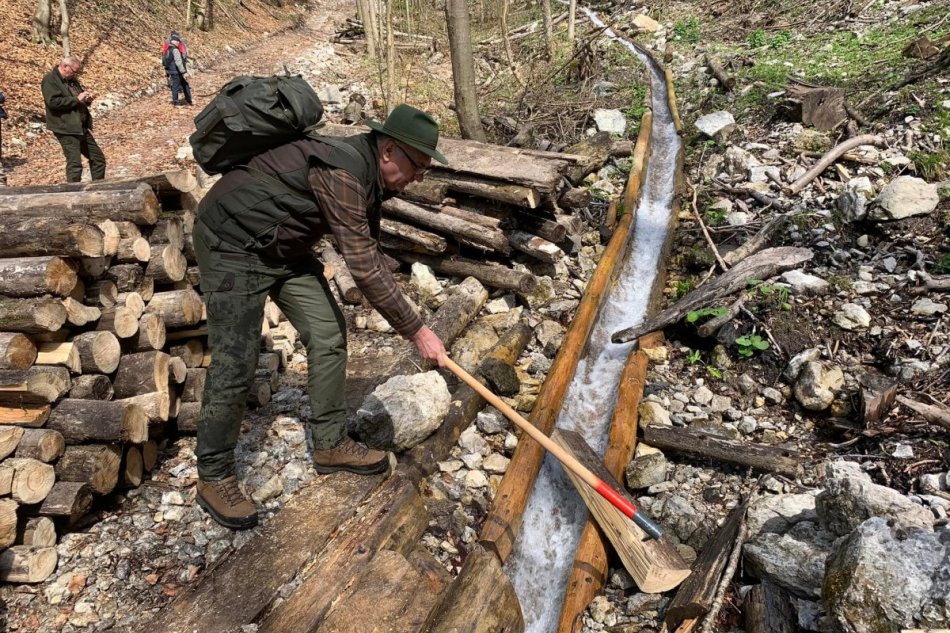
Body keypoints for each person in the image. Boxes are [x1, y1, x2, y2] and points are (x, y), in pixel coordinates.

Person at [193, 104, 449, 529]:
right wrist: (417, 330)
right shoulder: (343, 171)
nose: (419, 176)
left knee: (329, 333)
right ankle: (214, 475)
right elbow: (362, 264)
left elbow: (373, 251)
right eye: (418, 165)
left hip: (282, 248)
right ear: (388, 151)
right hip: (231, 242)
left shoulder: (371, 177)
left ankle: (330, 443)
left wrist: (407, 310)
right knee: (236, 360)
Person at [41, 56, 106, 182]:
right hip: (65, 128)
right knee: (75, 165)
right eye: (74, 71)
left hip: (80, 126)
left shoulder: (72, 80)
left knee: (98, 159)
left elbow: (79, 98)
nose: (75, 74)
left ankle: (98, 188)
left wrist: (87, 100)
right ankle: (72, 194)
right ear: (65, 67)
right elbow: (53, 102)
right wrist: (77, 99)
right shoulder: (50, 80)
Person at [163, 31, 193, 107]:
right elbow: (178, 62)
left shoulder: (167, 49)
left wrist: (166, 70)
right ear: (175, 41)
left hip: (171, 70)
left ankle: (188, 100)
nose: (179, 43)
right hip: (177, 71)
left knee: (183, 85)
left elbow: (164, 61)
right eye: (178, 42)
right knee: (178, 86)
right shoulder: (175, 50)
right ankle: (177, 103)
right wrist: (184, 72)